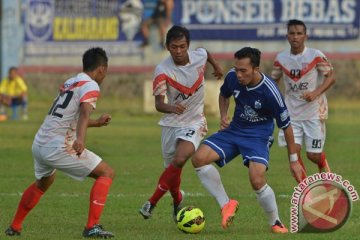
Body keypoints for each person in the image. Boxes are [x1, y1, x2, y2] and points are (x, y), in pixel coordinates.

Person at [5, 47, 115, 238]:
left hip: (40, 143)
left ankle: (15, 226)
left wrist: (97, 123)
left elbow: (67, 117)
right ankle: (92, 226)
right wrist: (80, 140)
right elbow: (84, 112)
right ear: (102, 69)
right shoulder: (91, 85)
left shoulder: (71, 81)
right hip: (58, 145)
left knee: (43, 183)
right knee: (106, 173)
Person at [191, 47, 304, 233]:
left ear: (256, 69)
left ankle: (275, 222)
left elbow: (287, 126)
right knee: (199, 159)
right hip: (235, 130)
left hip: (258, 135)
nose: (239, 74)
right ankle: (226, 204)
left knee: (257, 179)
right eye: (236, 69)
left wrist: (294, 161)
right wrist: (223, 116)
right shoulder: (232, 78)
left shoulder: (270, 92)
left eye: (243, 70)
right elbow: (224, 94)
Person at [139, 25, 223, 221]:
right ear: (167, 47)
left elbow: (206, 53)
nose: (179, 51)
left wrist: (216, 65)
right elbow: (159, 104)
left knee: (179, 159)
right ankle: (178, 200)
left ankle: (151, 203)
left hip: (194, 122)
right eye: (174, 47)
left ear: (188, 46)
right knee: (172, 170)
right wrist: (172, 108)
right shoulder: (162, 71)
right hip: (171, 123)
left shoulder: (199, 56)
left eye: (182, 46)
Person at [271, 19, 336, 183]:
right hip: (291, 114)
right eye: (292, 33)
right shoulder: (281, 59)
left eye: (299, 33)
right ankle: (306, 192)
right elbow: (273, 82)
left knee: (313, 155)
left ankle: (326, 174)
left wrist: (315, 92)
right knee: (294, 153)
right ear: (287, 36)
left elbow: (331, 77)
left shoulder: (315, 55)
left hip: (313, 112)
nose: (295, 37)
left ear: (305, 36)